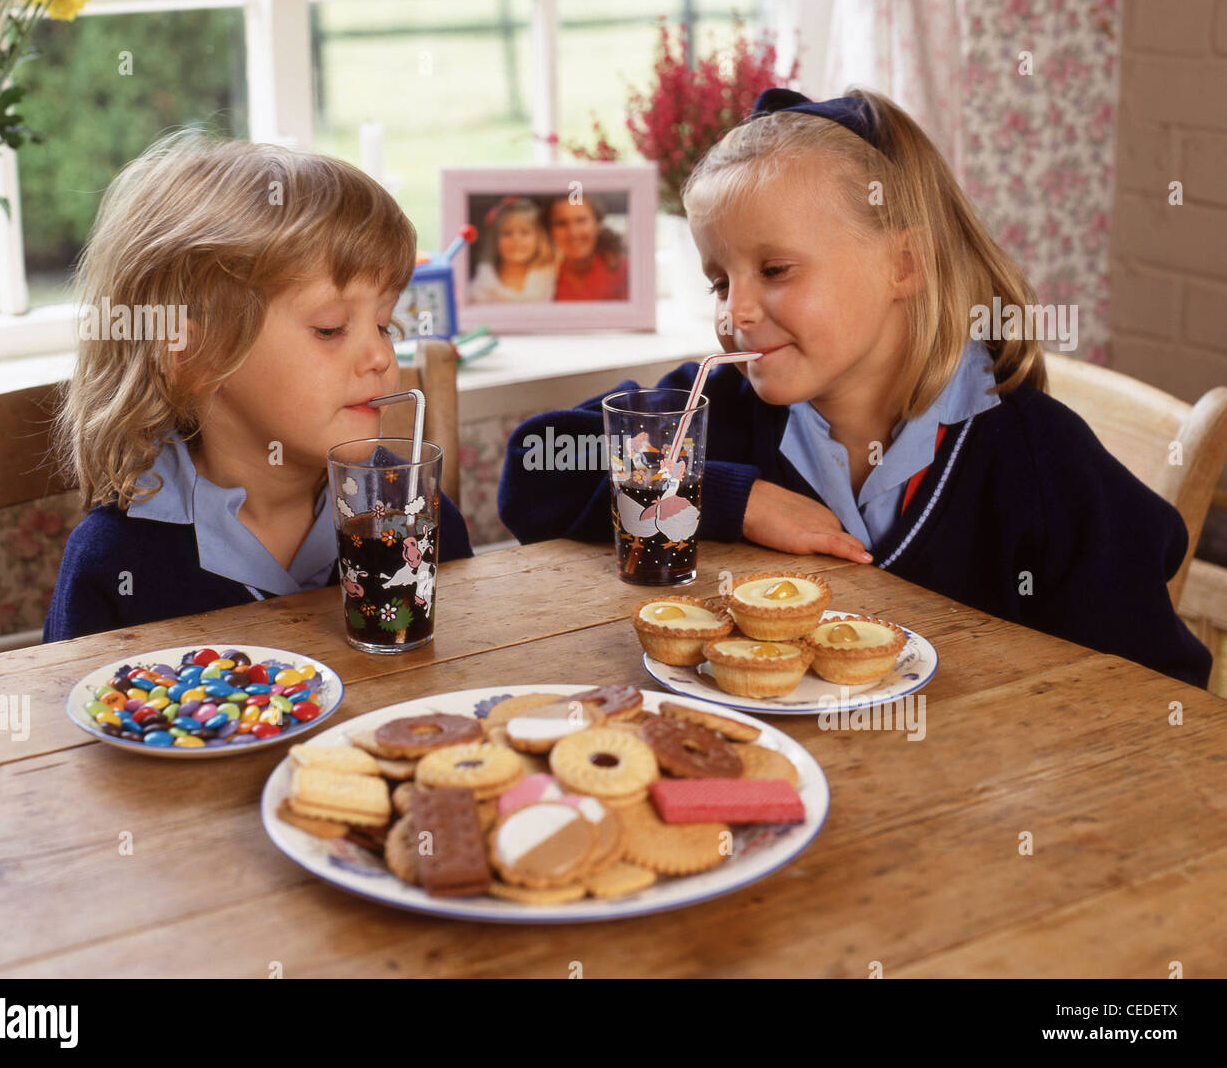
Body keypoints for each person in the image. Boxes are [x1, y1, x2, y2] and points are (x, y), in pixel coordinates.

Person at [498, 87, 1211, 689]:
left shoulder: (1035, 456)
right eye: (720, 280)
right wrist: (727, 497)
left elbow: (1154, 690)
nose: (733, 313)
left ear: (905, 264)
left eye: (774, 270)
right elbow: (535, 467)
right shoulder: (721, 409)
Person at [43, 129, 472, 642]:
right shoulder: (115, 561)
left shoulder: (415, 516)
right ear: (193, 357)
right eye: (330, 329)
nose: (381, 356)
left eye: (383, 323)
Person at [468, 195, 557, 301]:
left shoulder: (550, 272)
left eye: (525, 232)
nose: (516, 240)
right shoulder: (482, 282)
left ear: (539, 238)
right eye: (507, 233)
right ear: (495, 240)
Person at [547, 194, 628, 300]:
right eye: (562, 223)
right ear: (550, 231)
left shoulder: (625, 270)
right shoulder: (545, 277)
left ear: (598, 225)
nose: (573, 232)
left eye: (581, 220)